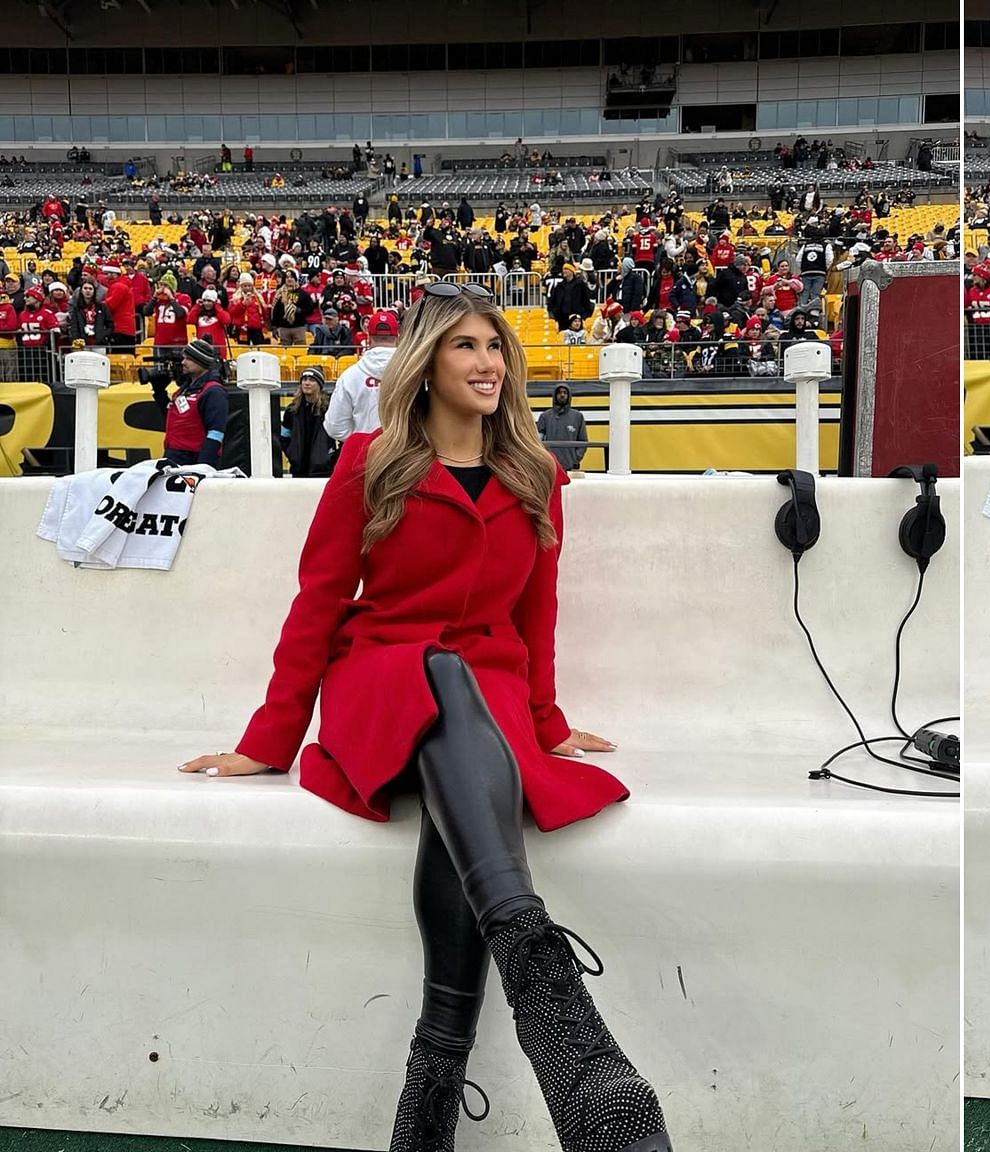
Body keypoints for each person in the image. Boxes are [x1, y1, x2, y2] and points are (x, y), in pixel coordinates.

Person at [177, 282, 672, 1152]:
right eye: (466, 347)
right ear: (427, 362)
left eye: (497, 348)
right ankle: (554, 1001)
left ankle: (428, 1105)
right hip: (382, 683)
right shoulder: (368, 462)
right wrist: (269, 741)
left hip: (486, 705)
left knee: (460, 751)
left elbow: (536, 618)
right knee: (441, 674)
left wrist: (548, 722)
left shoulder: (536, 476)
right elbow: (319, 603)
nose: (488, 363)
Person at [325, 310, 399, 440]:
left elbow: (334, 427)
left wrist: (360, 442)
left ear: (369, 338)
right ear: (398, 338)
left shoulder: (350, 376)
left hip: (364, 455)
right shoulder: (415, 373)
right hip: (407, 454)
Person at [157, 338, 228, 466]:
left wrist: (203, 466)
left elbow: (216, 432)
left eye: (188, 359)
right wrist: (159, 392)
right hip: (174, 456)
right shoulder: (184, 389)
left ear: (201, 361)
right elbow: (174, 418)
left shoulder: (213, 391)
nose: (183, 362)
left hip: (193, 460)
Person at [279, 367, 338, 478]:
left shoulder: (329, 409)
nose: (307, 383)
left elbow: (341, 437)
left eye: (312, 380)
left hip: (323, 471)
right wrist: (293, 455)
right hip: (298, 471)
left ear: (319, 385)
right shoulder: (291, 410)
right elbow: (284, 437)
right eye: (304, 379)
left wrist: (330, 458)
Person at [536, 384, 586, 471]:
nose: (562, 395)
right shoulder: (545, 416)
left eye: (565, 393)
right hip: (550, 467)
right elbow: (538, 441)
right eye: (559, 393)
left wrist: (575, 459)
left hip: (571, 467)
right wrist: (544, 459)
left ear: (569, 396)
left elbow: (583, 441)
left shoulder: (578, 416)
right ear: (555, 395)